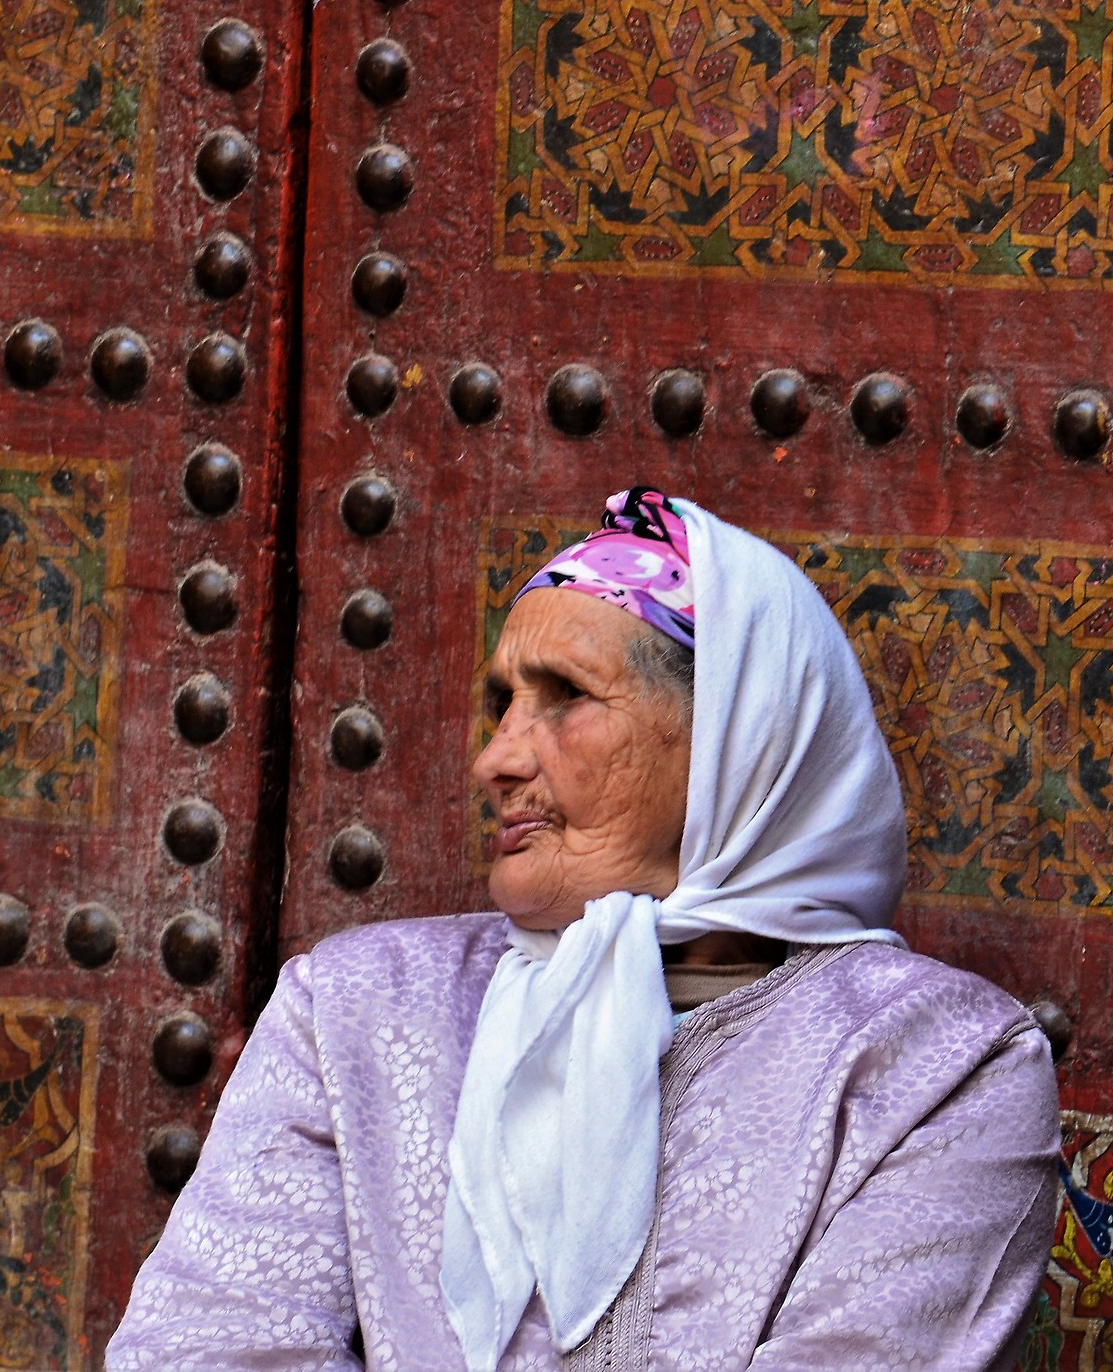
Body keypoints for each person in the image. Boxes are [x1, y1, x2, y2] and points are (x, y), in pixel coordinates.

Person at [110, 488, 1062, 1371]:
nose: (496, 758)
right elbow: (205, 1345)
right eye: (502, 704)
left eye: (564, 695)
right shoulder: (356, 1008)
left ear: (735, 733)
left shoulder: (935, 1064)